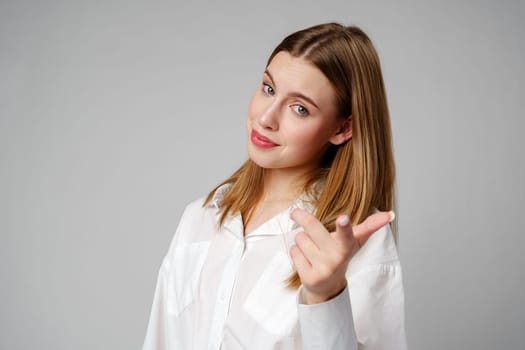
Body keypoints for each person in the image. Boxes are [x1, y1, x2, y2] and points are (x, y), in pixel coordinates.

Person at [143, 22, 407, 350]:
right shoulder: (198, 219)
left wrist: (325, 297)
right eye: (269, 88)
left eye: (300, 108)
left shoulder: (354, 242)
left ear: (342, 129)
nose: (266, 117)